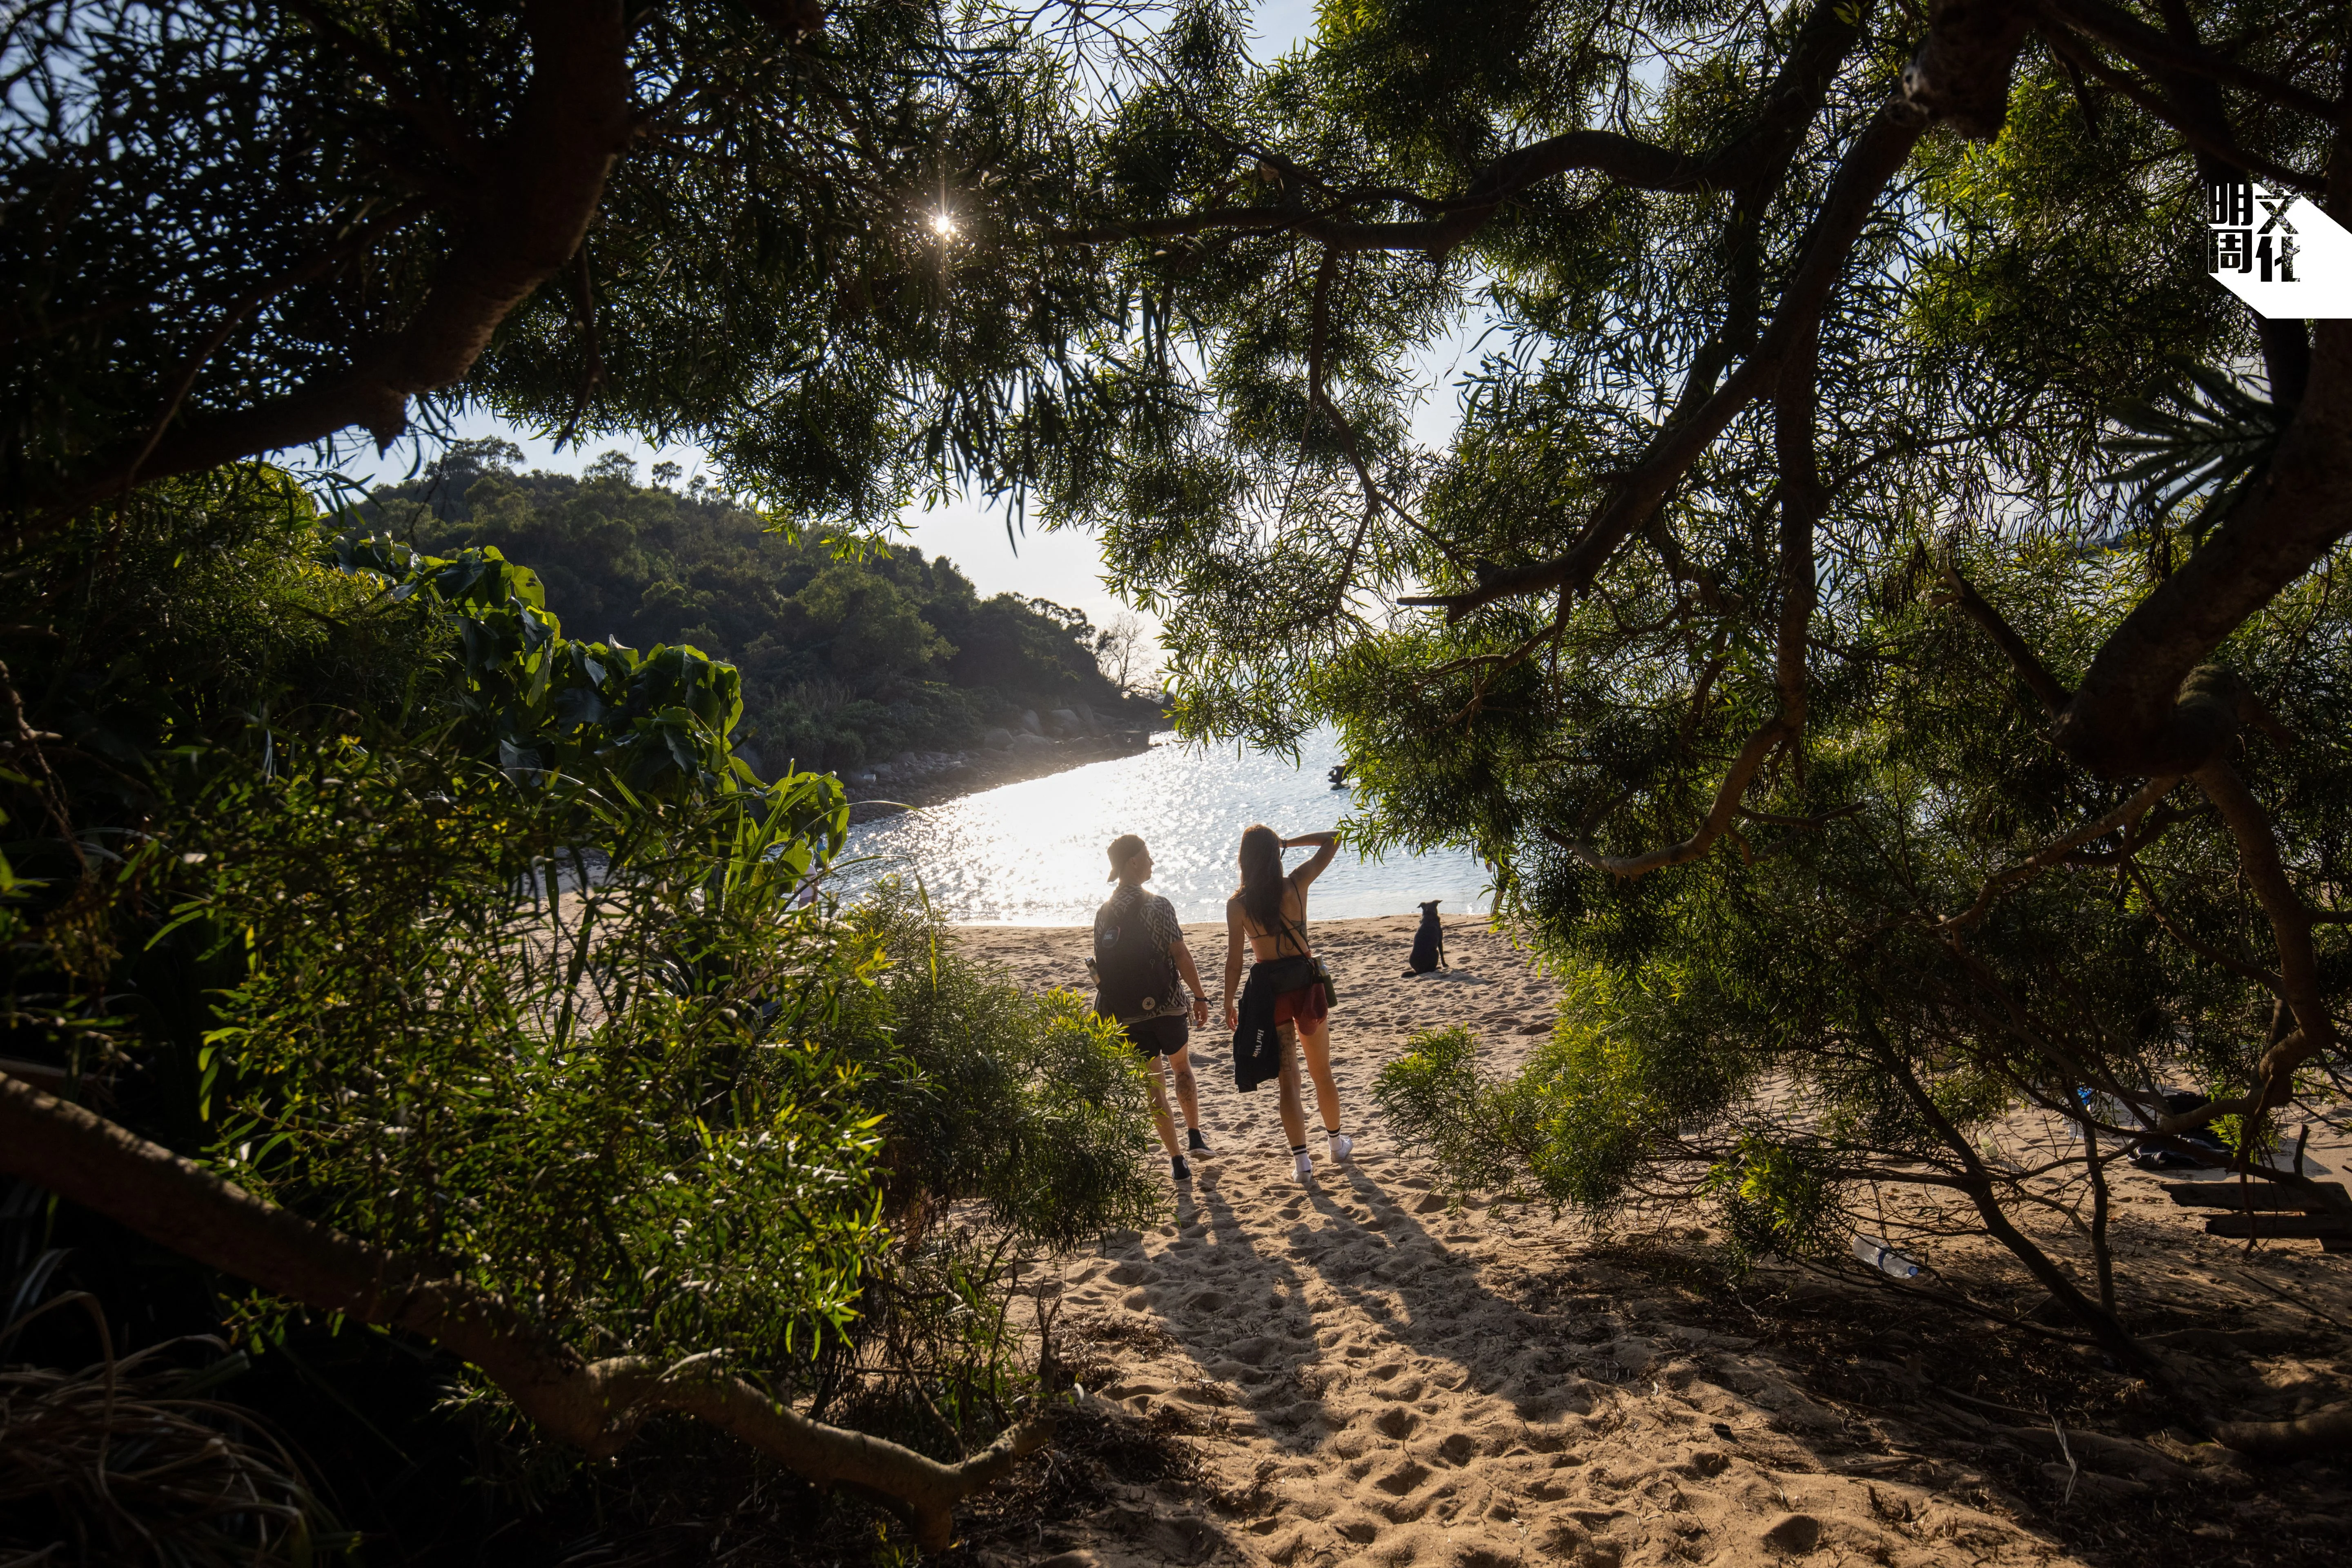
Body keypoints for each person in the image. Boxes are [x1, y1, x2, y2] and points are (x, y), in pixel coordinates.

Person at [1222, 824, 1347, 1181]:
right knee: (1322, 1071)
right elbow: (1334, 837)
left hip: (1270, 992)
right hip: (1305, 986)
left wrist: (1229, 1001)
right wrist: (1289, 842)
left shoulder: (1238, 905)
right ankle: (1337, 1146)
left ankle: (1303, 1164)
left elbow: (1235, 962)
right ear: (1274, 853)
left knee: (1288, 1079)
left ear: (1244, 860)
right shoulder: (1296, 884)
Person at [1094, 833, 1214, 1182]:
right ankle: (1195, 1136)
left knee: (1153, 1086)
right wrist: (1200, 996)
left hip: (1127, 1012)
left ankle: (1177, 1161)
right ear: (1133, 862)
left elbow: (1101, 970)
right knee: (1182, 1070)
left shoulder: (1103, 914)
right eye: (1148, 856)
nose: (1152, 861)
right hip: (1167, 1005)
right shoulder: (1158, 905)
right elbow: (1180, 954)